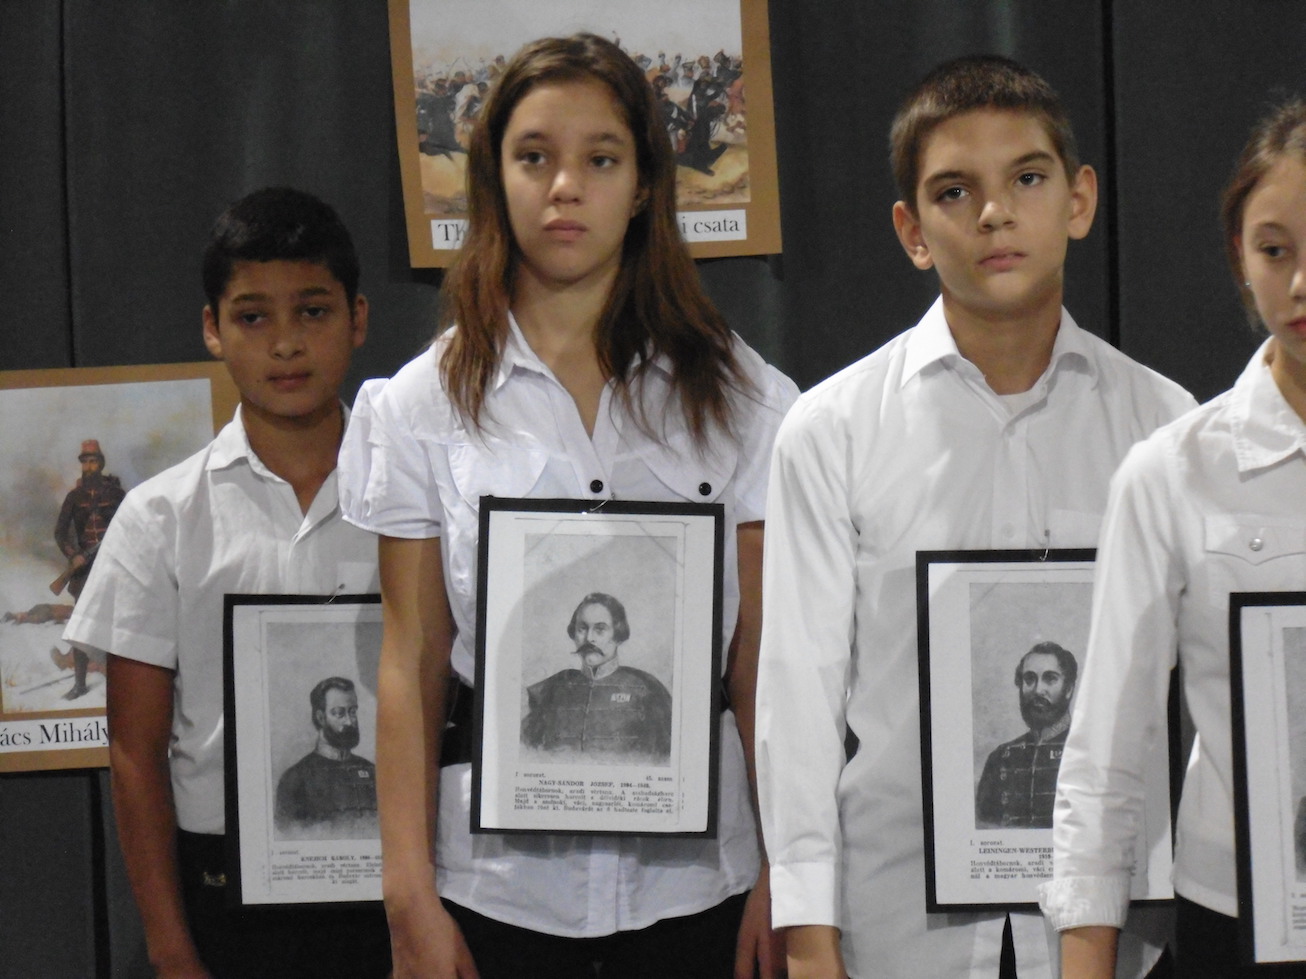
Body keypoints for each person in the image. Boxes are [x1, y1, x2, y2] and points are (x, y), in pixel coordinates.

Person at [338, 32, 796, 979]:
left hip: (698, 894)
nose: (564, 187)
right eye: (534, 156)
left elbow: (763, 663)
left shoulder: (746, 400)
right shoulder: (420, 406)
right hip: (495, 896)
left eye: (601, 160)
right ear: (493, 177)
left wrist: (786, 869)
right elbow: (411, 663)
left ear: (646, 184)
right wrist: (407, 894)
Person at [755, 55, 1195, 979]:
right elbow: (797, 699)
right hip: (893, 928)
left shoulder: (1164, 427)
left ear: (1079, 200)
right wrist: (807, 940)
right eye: (955, 191)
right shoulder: (831, 431)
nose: (994, 212)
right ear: (913, 231)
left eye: (1027, 178)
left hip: (1116, 935)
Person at [63, 187, 391, 978]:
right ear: (212, 328)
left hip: (396, 874)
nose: (286, 343)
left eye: (312, 311)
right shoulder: (160, 517)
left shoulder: (416, 502)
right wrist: (172, 948)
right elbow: (135, 753)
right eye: (252, 316)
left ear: (357, 318)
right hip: (222, 888)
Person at [1042, 98, 1306, 979]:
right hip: (1240, 919)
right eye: (1276, 250)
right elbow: (1105, 747)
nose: (1300, 283)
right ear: (1240, 257)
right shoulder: (1172, 471)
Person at [520, 592, 672, 761]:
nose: (589, 638)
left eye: (600, 630)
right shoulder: (551, 689)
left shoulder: (647, 689)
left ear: (618, 636)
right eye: (582, 629)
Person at [975, 641, 1078, 829]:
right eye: (1029, 679)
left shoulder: (1087, 752)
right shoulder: (1000, 758)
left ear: (1069, 689)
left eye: (1050, 679)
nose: (1038, 690)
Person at [52, 438, 126, 698]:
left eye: (93, 461)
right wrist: (73, 556)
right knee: (82, 626)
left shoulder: (117, 495)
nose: (89, 466)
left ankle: (121, 681)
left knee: (118, 624)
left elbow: (131, 526)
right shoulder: (74, 497)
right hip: (84, 569)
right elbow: (60, 533)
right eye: (85, 461)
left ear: (101, 463)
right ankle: (80, 684)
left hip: (113, 566)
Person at [275, 676, 378, 833]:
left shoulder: (372, 772)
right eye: (339, 713)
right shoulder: (295, 779)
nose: (350, 722)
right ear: (321, 718)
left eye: (352, 711)